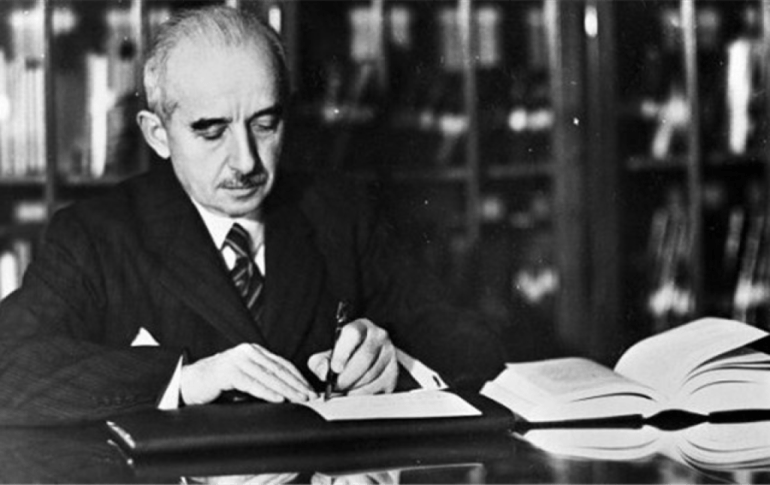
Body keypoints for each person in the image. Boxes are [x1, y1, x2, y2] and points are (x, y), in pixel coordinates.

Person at [0, 5, 505, 425]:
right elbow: (9, 367)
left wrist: (394, 359)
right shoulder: (96, 234)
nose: (245, 161)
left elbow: (471, 341)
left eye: (265, 125)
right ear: (157, 134)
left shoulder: (340, 213)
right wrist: (183, 379)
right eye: (211, 131)